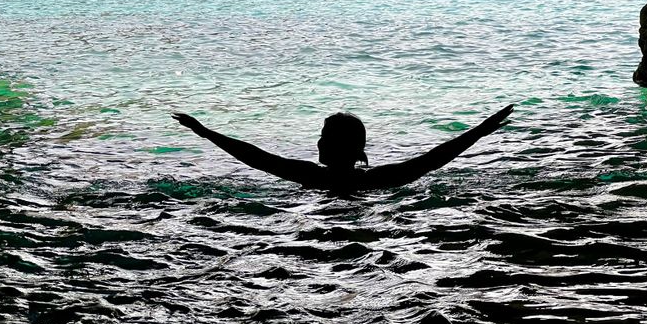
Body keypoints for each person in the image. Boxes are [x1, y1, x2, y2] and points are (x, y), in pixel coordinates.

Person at [172, 104, 513, 194]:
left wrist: (205, 132)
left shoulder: (310, 176)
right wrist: (480, 132)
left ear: (339, 146)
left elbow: (257, 158)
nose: (319, 141)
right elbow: (432, 160)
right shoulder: (378, 179)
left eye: (325, 136)